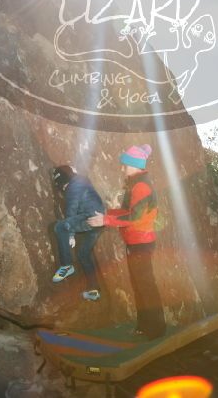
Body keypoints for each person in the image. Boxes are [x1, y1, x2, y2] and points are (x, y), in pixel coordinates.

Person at [88, 144, 166, 339]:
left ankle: (155, 329)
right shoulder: (135, 183)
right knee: (140, 284)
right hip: (136, 242)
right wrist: (107, 214)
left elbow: (134, 217)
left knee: (145, 285)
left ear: (135, 165)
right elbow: (126, 212)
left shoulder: (141, 186)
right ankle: (145, 326)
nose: (123, 168)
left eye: (125, 165)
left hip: (141, 243)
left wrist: (106, 220)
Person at [51, 165, 105, 301]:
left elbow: (71, 209)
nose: (63, 190)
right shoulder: (83, 181)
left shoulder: (73, 186)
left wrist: (70, 234)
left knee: (60, 227)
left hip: (90, 218)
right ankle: (93, 290)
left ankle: (66, 265)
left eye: (62, 187)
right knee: (83, 254)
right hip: (99, 221)